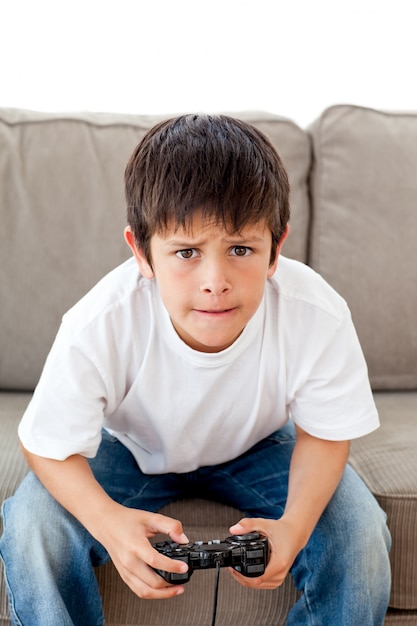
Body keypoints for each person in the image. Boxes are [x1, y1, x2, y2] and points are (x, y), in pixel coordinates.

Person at [0, 114, 391, 625]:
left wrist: (294, 527)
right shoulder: (100, 322)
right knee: (32, 525)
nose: (215, 281)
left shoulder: (316, 313)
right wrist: (109, 524)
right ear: (141, 252)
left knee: (359, 531)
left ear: (276, 248)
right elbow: (45, 443)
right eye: (186, 252)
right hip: (131, 448)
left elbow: (324, 434)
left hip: (260, 446)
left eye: (241, 249)